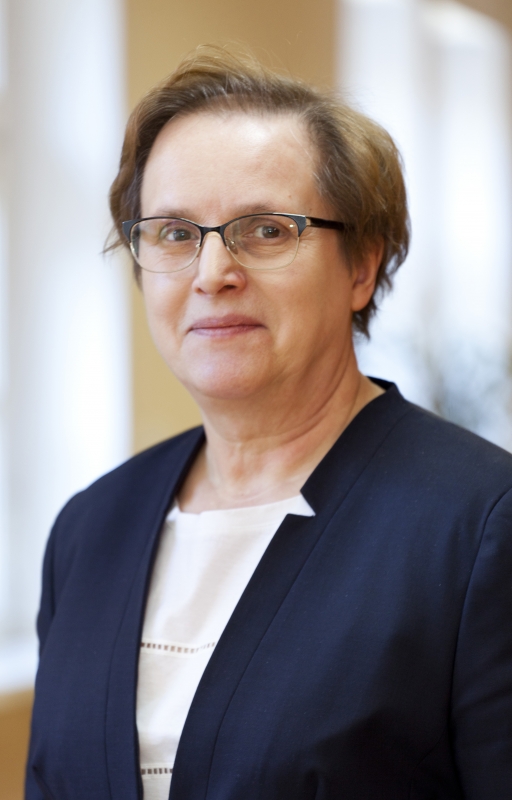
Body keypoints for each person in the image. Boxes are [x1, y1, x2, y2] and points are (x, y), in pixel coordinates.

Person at [26, 46, 512, 800]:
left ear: (361, 266)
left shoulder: (481, 527)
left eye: (266, 230)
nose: (212, 273)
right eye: (174, 233)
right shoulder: (90, 531)